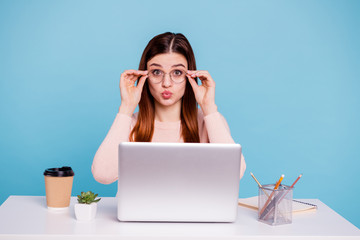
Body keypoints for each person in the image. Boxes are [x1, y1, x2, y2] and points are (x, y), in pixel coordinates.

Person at [92, 32, 246, 184]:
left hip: (194, 209)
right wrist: (126, 108)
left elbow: (235, 173)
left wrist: (209, 107)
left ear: (190, 76)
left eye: (177, 72)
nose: (166, 83)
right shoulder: (130, 124)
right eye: (156, 72)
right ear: (145, 75)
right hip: (140, 209)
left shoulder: (209, 122)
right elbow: (102, 175)